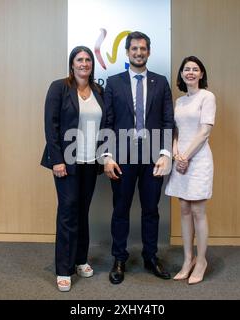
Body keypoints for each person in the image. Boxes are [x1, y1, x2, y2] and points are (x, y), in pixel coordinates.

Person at [103, 31, 175, 284]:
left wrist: (166, 153)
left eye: (143, 48)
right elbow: (108, 122)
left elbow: (168, 121)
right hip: (122, 157)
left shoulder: (161, 82)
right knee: (120, 209)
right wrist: (108, 155)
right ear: (127, 52)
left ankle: (151, 257)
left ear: (149, 52)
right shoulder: (113, 83)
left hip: (153, 157)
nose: (138, 53)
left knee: (151, 210)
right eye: (134, 49)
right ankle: (119, 258)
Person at [40, 46, 106, 292]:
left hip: (91, 162)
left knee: (82, 212)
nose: (84, 63)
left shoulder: (99, 91)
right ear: (72, 63)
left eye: (88, 60)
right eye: (80, 59)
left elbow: (106, 125)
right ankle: (63, 269)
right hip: (66, 163)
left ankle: (80, 259)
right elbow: (51, 125)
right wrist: (57, 159)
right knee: (68, 212)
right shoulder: (59, 88)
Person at [165, 56, 216, 284]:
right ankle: (188, 259)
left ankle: (202, 260)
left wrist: (185, 156)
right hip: (181, 160)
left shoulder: (207, 97)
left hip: (198, 159)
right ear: (182, 74)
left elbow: (205, 132)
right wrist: (176, 154)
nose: (191, 72)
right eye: (187, 69)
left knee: (198, 210)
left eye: (196, 69)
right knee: (184, 208)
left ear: (202, 74)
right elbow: (175, 131)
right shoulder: (179, 101)